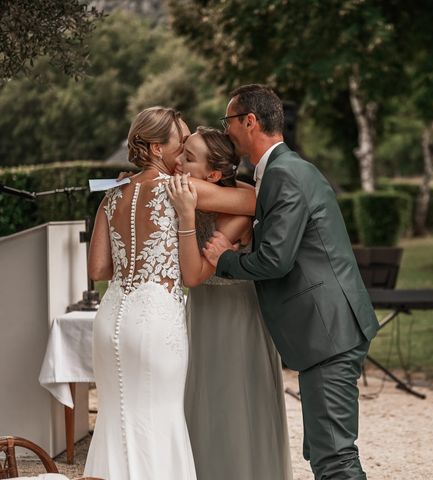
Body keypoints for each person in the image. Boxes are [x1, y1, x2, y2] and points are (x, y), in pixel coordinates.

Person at [202, 84, 379, 480]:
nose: (226, 130)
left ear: (249, 121)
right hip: (327, 330)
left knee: (335, 458)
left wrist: (223, 260)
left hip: (329, 331)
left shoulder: (283, 173)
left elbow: (275, 260)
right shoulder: (281, 171)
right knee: (322, 451)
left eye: (227, 121)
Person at [85, 107, 255, 479]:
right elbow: (254, 200)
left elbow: (98, 270)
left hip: (111, 314)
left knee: (116, 419)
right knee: (160, 419)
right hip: (155, 321)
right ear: (158, 148)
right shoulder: (183, 189)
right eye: (181, 143)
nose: (184, 154)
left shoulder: (112, 193)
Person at [166, 127, 293, 480]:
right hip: (201, 312)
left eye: (188, 157)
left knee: (237, 401)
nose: (177, 163)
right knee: (200, 399)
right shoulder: (186, 192)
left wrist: (186, 214)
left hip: (237, 312)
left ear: (214, 174)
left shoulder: (239, 206)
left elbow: (194, 273)